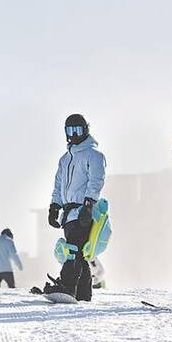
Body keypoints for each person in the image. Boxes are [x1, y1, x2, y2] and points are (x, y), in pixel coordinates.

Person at [43, 113, 106, 302]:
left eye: (78, 130)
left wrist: (88, 204)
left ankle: (68, 286)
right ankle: (83, 293)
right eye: (70, 131)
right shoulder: (65, 159)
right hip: (68, 214)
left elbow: (96, 181)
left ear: (85, 130)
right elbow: (58, 184)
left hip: (83, 210)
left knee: (73, 250)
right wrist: (54, 206)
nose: (74, 134)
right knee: (79, 253)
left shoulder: (94, 155)